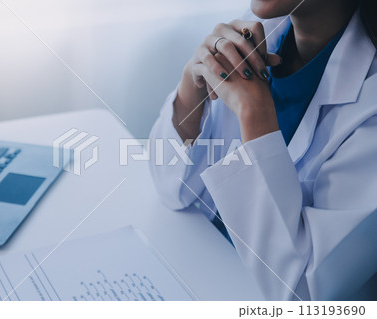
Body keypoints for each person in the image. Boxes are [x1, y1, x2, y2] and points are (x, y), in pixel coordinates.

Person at [149, 0, 377, 300]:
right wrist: (193, 85)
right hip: (208, 270)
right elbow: (174, 186)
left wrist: (254, 115)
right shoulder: (256, 34)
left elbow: (301, 295)